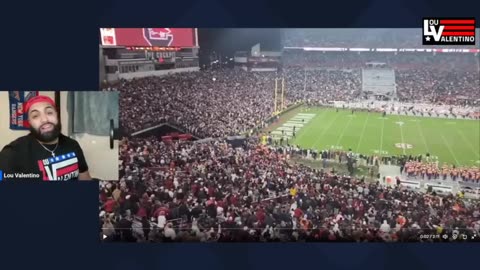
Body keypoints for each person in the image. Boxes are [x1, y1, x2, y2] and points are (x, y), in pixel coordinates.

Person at [0, 95, 92, 180]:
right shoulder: (12, 153)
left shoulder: (73, 145)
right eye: (35, 116)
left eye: (49, 112)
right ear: (29, 122)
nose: (44, 119)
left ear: (57, 115)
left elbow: (85, 177)